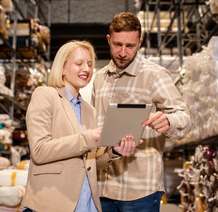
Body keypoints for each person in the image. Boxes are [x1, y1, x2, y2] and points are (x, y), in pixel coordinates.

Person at [92, 12, 192, 212]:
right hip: (102, 187)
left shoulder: (155, 75)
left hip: (140, 190)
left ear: (140, 42)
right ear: (108, 40)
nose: (122, 52)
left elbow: (185, 118)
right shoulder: (100, 78)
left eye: (129, 46)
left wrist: (169, 121)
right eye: (117, 44)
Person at [21, 40, 137, 212]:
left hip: (86, 202)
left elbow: (89, 163)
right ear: (62, 67)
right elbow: (39, 151)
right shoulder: (45, 95)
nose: (86, 69)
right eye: (79, 63)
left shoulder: (89, 110)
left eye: (90, 64)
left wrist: (114, 151)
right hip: (53, 203)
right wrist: (89, 138)